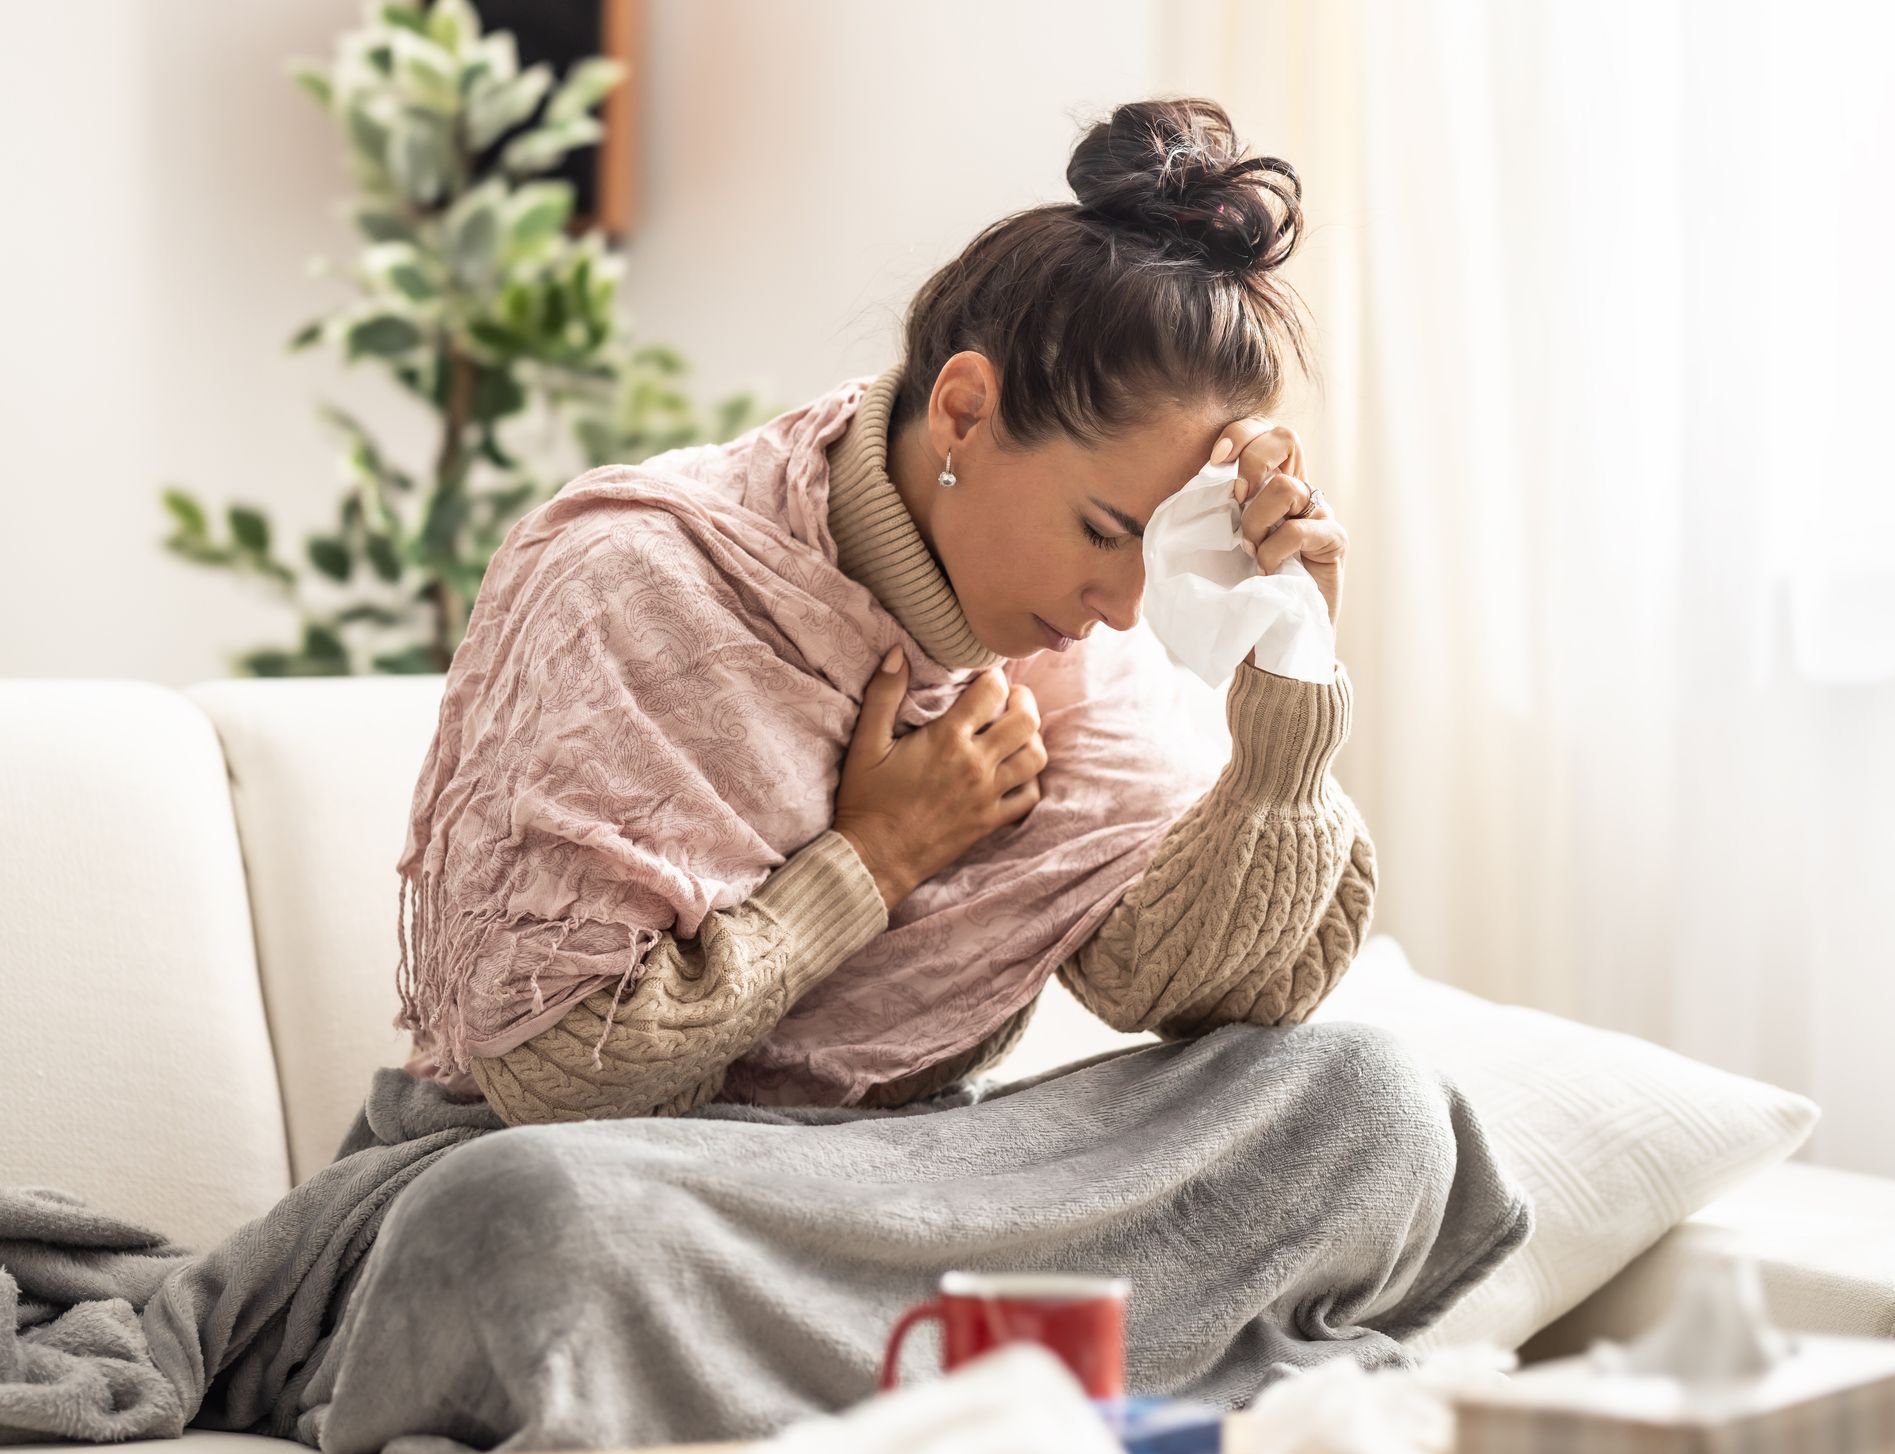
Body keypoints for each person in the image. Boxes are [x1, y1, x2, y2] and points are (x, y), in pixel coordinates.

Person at [395, 95, 1374, 1127]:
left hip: (885, 1167)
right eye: (1100, 531)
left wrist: (1291, 676)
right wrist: (879, 855)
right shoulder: (639, 585)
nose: (1125, 611)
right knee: (545, 1206)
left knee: (1362, 1098)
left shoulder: (1065, 653)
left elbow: (1204, 988)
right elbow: (558, 1079)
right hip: (600, 1169)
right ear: (963, 412)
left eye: (1157, 551)